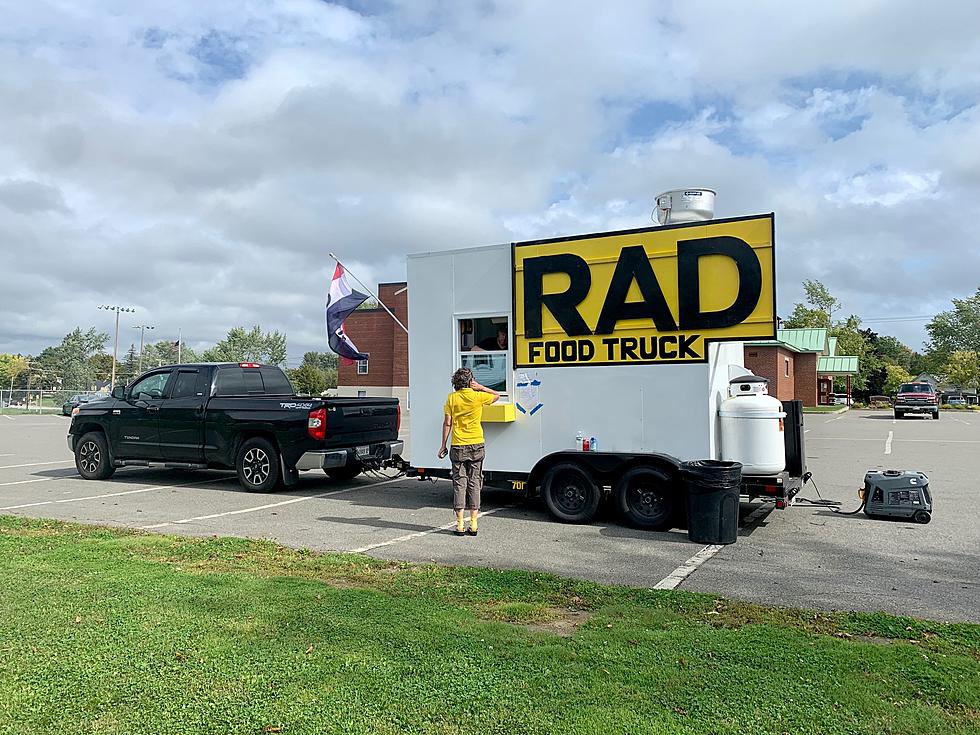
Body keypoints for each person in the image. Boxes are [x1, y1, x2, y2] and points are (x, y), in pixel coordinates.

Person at [438, 367, 500, 536]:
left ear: (455, 383)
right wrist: (480, 387)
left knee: (459, 483)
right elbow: (496, 395)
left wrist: (443, 445)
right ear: (470, 381)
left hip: (458, 445)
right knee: (474, 482)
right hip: (477, 444)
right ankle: (473, 524)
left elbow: (447, 423)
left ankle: (459, 524)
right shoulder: (478, 396)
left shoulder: (452, 398)